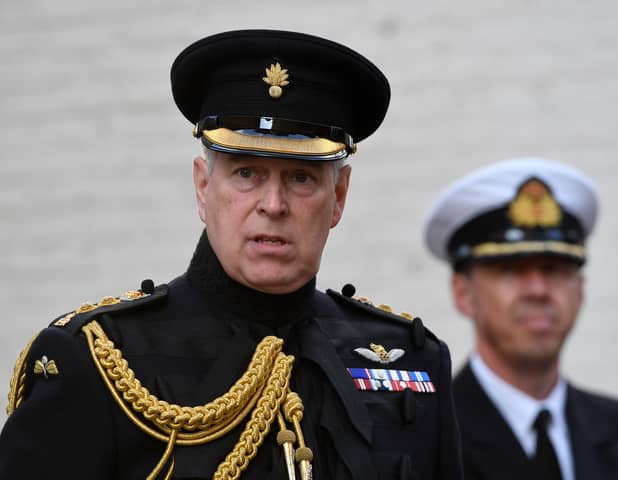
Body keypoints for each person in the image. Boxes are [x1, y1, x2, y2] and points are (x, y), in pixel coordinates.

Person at [0, 29, 463, 479]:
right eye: (246, 173)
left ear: (338, 196)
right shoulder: (100, 360)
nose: (273, 205)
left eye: (301, 178)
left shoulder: (411, 361)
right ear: (203, 188)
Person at [423, 157, 618, 480]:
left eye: (554, 269)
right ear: (462, 293)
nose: (538, 290)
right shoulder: (427, 438)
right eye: (510, 270)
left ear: (580, 290)